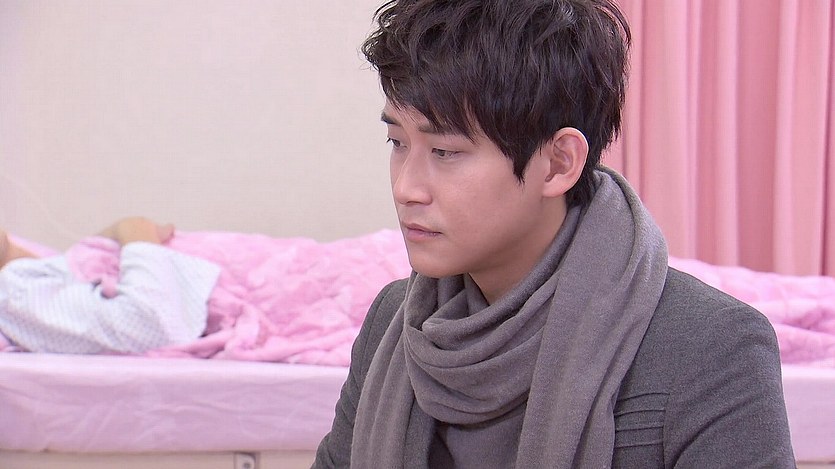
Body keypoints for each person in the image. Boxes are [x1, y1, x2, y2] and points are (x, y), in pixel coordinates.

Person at [312, 0, 796, 467]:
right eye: (397, 142)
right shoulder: (393, 322)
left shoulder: (709, 347)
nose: (406, 188)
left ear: (558, 163)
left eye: (445, 152)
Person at [0, 217, 220, 354]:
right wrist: (136, 233)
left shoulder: (26, 274)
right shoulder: (12, 293)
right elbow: (151, 325)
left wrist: (104, 242)